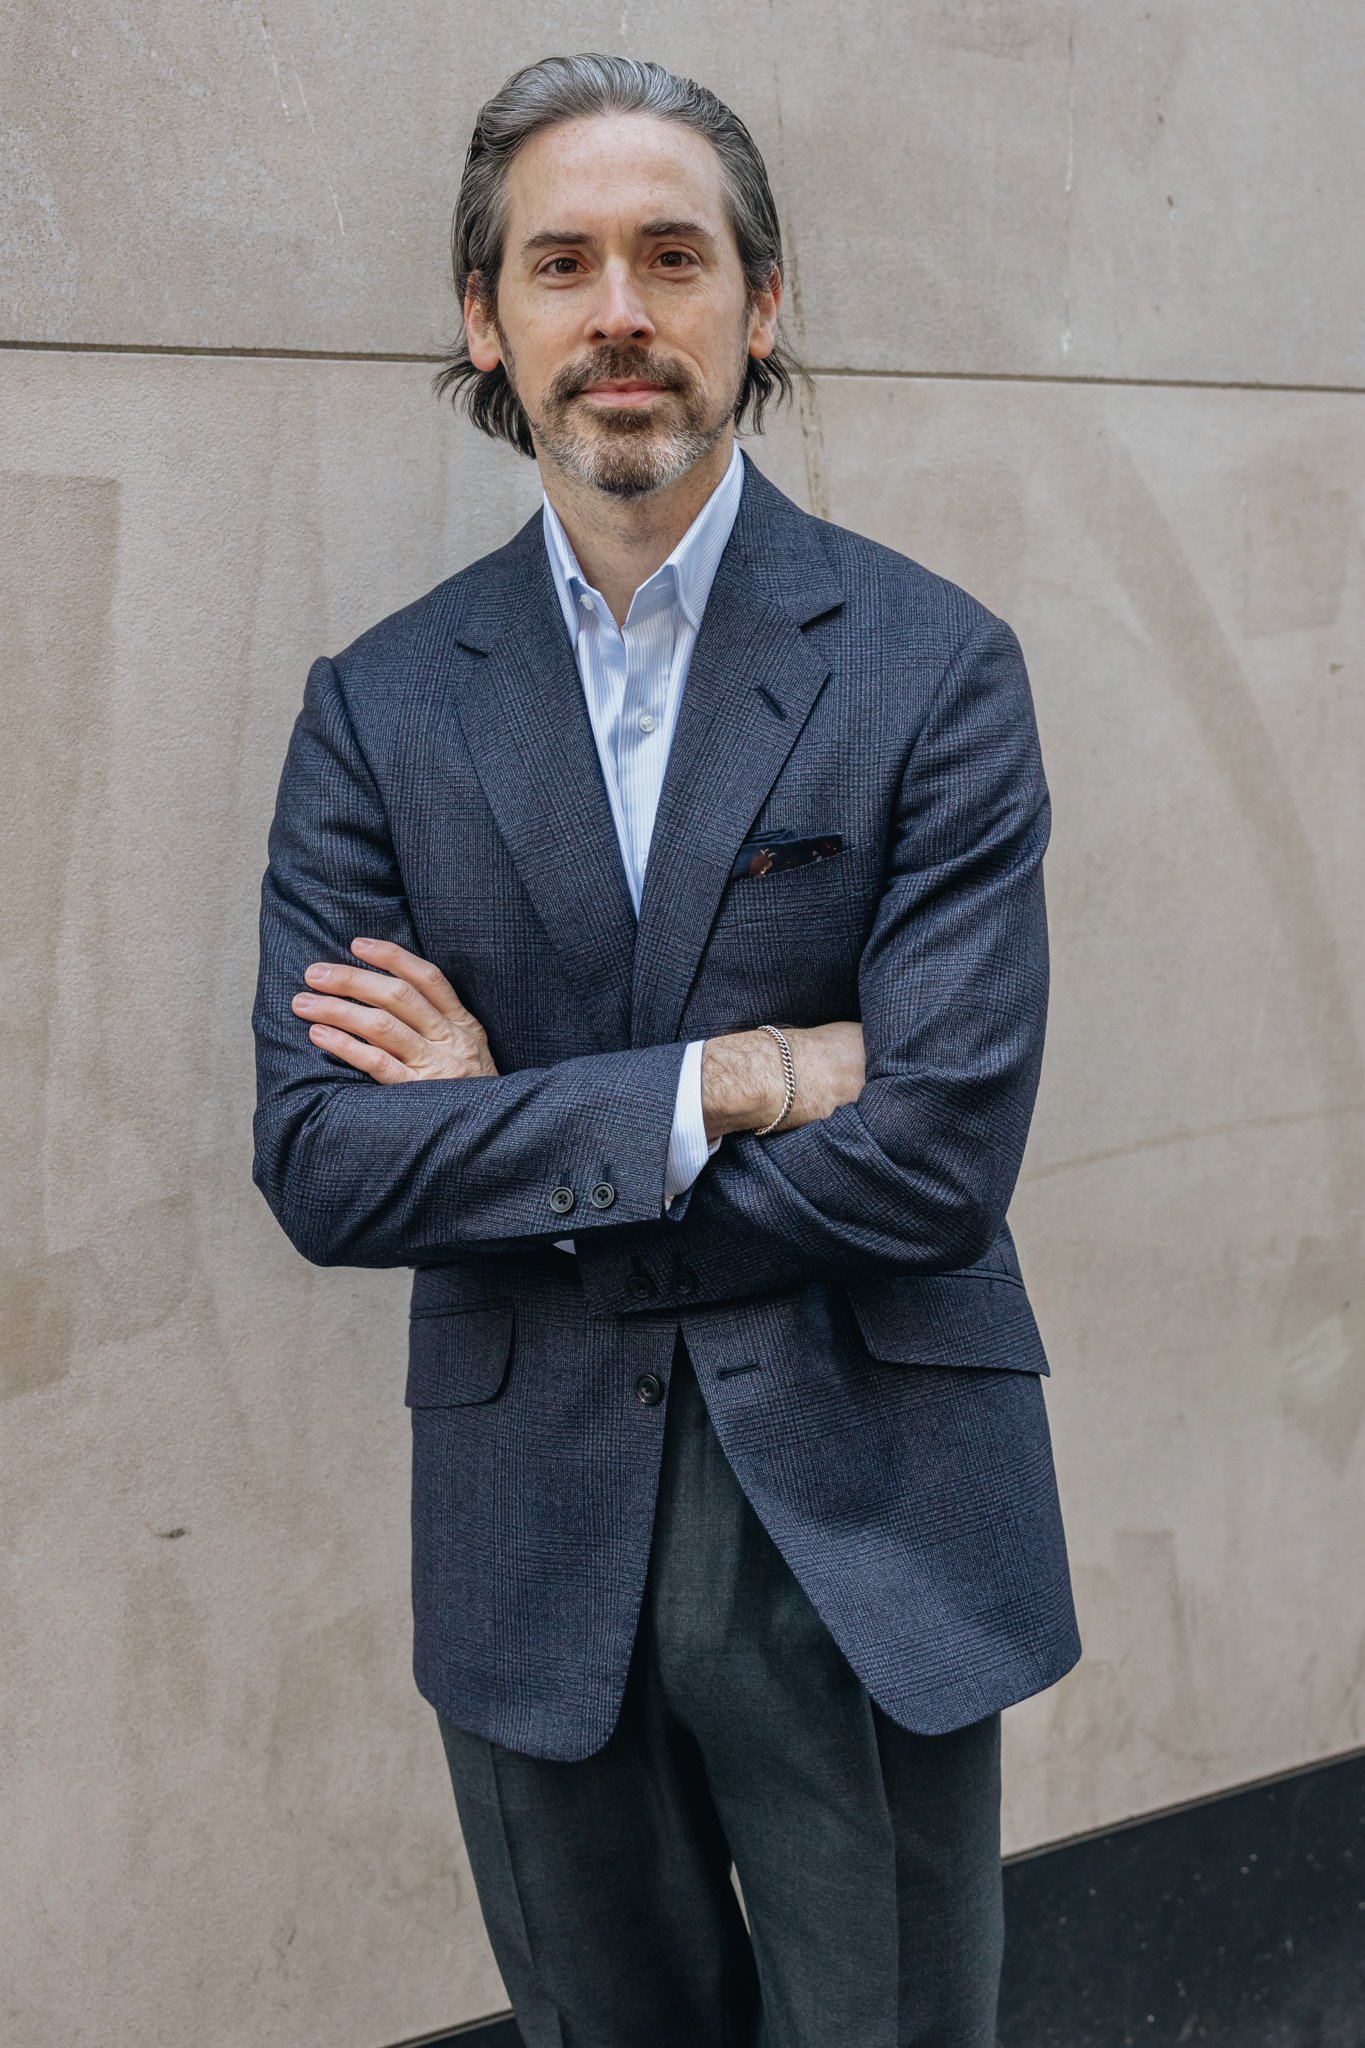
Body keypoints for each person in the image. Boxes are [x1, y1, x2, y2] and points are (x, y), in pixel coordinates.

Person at [252, 52, 1081, 2048]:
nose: (618, 310)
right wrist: (721, 1084)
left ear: (757, 303)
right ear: (485, 319)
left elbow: (934, 1154)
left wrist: (504, 1140)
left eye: (672, 256)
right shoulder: (379, 707)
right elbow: (325, 1161)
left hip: (862, 1505)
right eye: (561, 263)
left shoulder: (932, 668)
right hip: (531, 1523)